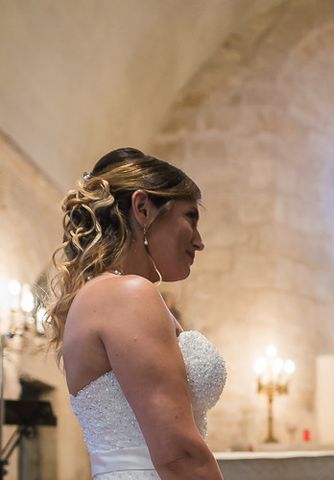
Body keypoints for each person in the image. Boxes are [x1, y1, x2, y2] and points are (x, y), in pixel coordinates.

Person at [47, 147, 226, 479]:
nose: (199, 241)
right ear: (143, 208)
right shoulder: (127, 294)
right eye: (190, 216)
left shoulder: (105, 294)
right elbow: (178, 456)